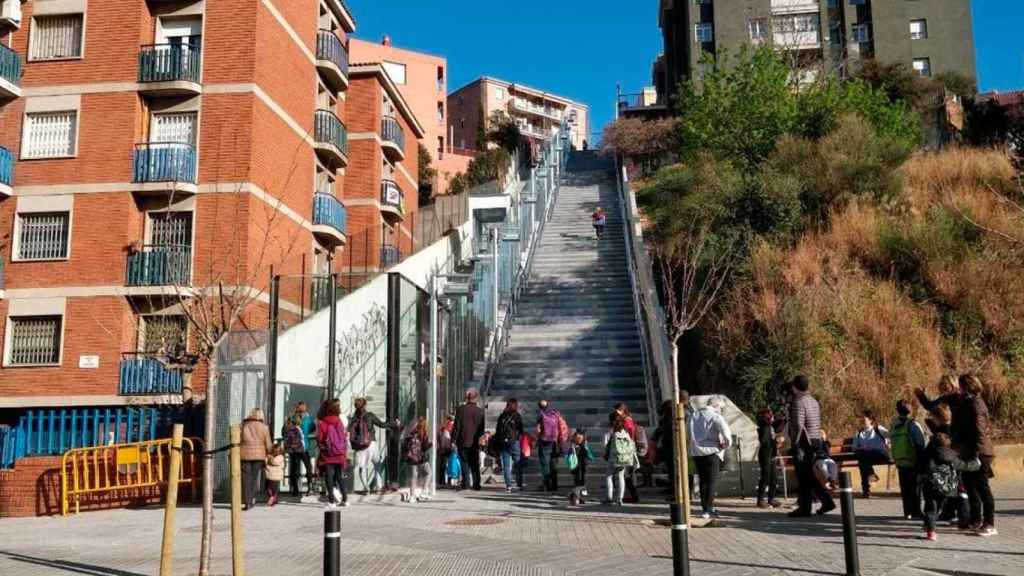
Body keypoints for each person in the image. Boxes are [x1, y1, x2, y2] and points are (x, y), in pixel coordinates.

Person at [787, 375, 836, 517]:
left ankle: (805, 508)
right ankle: (827, 502)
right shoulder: (814, 401)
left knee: (803, 476)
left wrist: (795, 442)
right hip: (816, 441)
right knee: (810, 475)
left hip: (803, 443)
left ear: (795, 387)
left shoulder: (799, 401)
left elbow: (798, 425)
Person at [957, 374, 997, 536]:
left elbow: (979, 431)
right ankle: (976, 519)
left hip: (979, 452)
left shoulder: (976, 404)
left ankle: (989, 523)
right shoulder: (968, 402)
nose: (959, 389)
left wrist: (976, 454)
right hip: (969, 451)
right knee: (970, 486)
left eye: (961, 386)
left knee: (982, 488)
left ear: (967, 386)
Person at [921, 432, 980, 541]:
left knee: (930, 510)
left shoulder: (929, 455)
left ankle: (930, 531)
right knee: (938, 508)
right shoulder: (953, 456)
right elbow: (964, 466)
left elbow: (923, 469)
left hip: (931, 487)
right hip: (947, 489)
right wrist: (976, 463)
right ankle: (959, 518)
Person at [689, 396, 732, 519]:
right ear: (716, 406)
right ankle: (708, 509)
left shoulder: (694, 415)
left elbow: (687, 431)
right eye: (721, 408)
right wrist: (725, 444)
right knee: (711, 482)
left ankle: (705, 508)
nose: (721, 410)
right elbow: (726, 433)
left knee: (703, 481)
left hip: (697, 453)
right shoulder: (715, 416)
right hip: (712, 452)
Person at [348, 398, 394, 494]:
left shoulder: (353, 419)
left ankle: (366, 488)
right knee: (377, 465)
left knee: (362, 468)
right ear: (365, 405)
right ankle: (378, 488)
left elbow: (349, 430)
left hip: (359, 447)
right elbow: (382, 424)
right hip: (371, 444)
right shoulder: (369, 415)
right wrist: (393, 424)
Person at [890, 400, 926, 519]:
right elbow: (920, 443)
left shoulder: (894, 424)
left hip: (900, 460)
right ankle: (916, 511)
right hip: (913, 460)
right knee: (915, 487)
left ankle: (907, 512)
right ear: (910, 410)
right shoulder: (912, 424)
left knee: (904, 487)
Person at [852, 411, 891, 498]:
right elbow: (854, 448)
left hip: (881, 454)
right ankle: (867, 488)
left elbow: (891, 436)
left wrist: (889, 444)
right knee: (863, 462)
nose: (861, 420)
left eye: (863, 418)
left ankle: (867, 487)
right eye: (860, 418)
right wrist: (861, 449)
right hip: (867, 457)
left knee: (863, 460)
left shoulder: (878, 429)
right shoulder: (859, 433)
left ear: (870, 420)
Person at [318, 399, 349, 507]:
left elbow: (320, 439)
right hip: (339, 453)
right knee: (340, 476)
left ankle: (331, 501)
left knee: (329, 477)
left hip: (328, 454)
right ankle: (345, 499)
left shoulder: (323, 423)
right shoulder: (339, 421)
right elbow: (344, 437)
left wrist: (322, 448)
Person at [240, 408, 272, 510]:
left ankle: (246, 501)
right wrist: (270, 453)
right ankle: (252, 498)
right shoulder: (264, 427)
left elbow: (239, 440)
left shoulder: (244, 426)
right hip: (259, 456)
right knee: (254, 478)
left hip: (245, 454)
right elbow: (268, 443)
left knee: (246, 478)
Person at [453, 388, 485, 491]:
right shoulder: (480, 412)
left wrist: (453, 440)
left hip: (462, 440)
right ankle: (476, 484)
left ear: (467, 398)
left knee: (464, 462)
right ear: (476, 398)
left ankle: (466, 484)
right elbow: (481, 429)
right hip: (474, 442)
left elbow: (457, 427)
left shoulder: (461, 410)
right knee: (474, 463)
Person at [604, 417, 636, 506]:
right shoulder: (626, 434)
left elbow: (605, 445)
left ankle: (609, 498)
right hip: (624, 458)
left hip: (613, 458)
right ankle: (620, 499)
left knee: (609, 476)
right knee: (621, 477)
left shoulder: (612, 433)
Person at [495, 398, 525, 492]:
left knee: (506, 465)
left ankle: (508, 486)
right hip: (514, 441)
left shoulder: (502, 416)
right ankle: (519, 484)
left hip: (504, 442)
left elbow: (497, 430)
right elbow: (521, 430)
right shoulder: (517, 416)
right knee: (518, 463)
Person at [536, 399, 566, 493]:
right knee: (553, 464)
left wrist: (537, 439)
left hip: (545, 441)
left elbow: (538, 430)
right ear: (548, 405)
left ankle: (547, 485)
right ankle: (554, 485)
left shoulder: (541, 415)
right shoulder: (555, 414)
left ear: (539, 407)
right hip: (555, 442)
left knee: (545, 464)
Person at [402, 416, 433, 503]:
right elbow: (425, 447)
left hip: (412, 458)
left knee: (413, 476)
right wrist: (431, 443)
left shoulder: (411, 433)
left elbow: (404, 444)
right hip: (421, 458)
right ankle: (424, 490)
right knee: (429, 473)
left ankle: (412, 496)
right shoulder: (423, 434)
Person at [756, 408, 781, 508]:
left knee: (774, 478)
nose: (773, 417)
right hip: (766, 455)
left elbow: (778, 425)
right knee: (765, 478)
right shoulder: (764, 428)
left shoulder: (770, 427)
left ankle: (771, 498)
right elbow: (766, 442)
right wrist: (776, 441)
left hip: (772, 455)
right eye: (771, 416)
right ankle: (760, 500)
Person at [282, 415, 309, 497]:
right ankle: (307, 487)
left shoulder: (289, 429)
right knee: (307, 468)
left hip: (293, 452)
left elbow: (286, 439)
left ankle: (295, 489)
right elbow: (301, 440)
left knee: (294, 471)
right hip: (300, 451)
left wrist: (287, 449)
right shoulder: (297, 429)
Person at [569, 429, 593, 506]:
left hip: (578, 467)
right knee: (581, 483)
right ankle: (581, 498)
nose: (579, 440)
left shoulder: (577, 446)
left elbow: (590, 456)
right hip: (580, 467)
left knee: (578, 483)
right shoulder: (580, 446)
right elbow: (590, 456)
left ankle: (577, 498)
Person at [265, 442, 285, 507]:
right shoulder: (278, 457)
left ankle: (272, 498)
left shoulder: (280, 457)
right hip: (271, 476)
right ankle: (273, 498)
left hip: (273, 476)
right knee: (271, 489)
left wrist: (269, 458)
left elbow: (274, 462)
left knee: (272, 489)